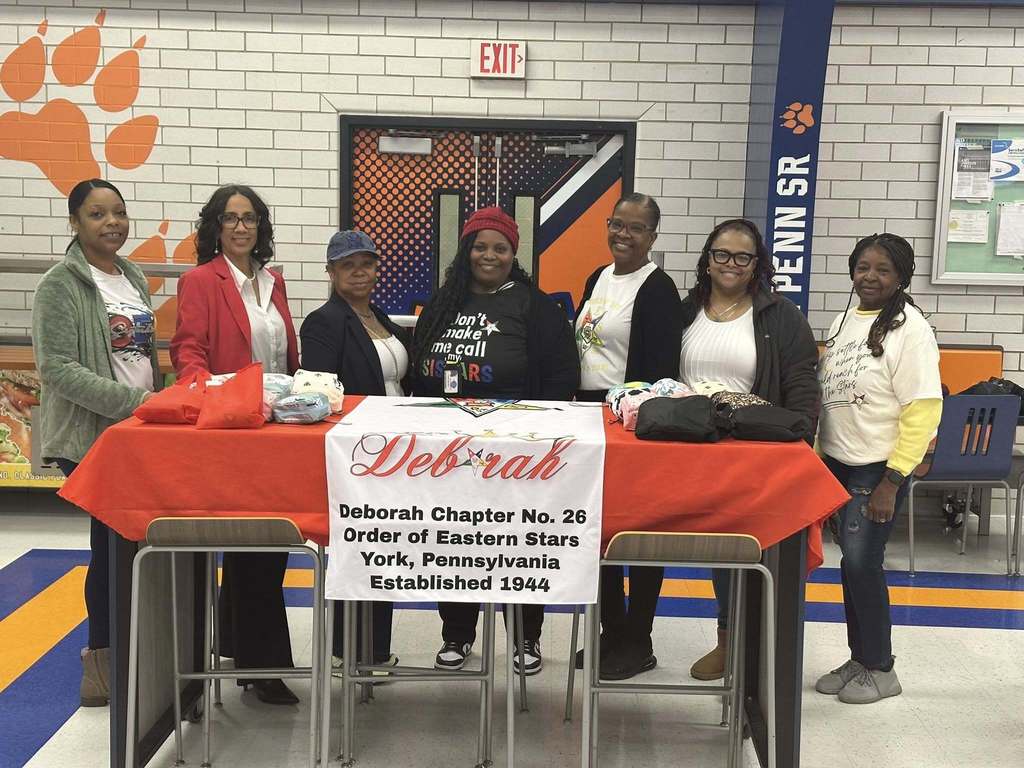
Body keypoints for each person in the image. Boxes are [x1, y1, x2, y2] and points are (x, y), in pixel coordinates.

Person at [411, 206, 579, 675]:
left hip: (517, 454)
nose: (490, 255)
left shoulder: (534, 306)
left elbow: (562, 374)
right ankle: (456, 633)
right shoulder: (444, 301)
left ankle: (525, 637)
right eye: (480, 246)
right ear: (466, 250)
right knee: (455, 541)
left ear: (513, 253)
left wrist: (537, 433)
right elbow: (418, 371)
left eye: (500, 248)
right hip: (449, 451)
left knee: (518, 542)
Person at [170, 184, 301, 705]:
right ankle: (262, 666)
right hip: (231, 431)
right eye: (231, 218)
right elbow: (189, 352)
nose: (241, 227)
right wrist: (209, 399)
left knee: (265, 547)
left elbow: (284, 358)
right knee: (256, 547)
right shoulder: (201, 280)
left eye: (250, 218)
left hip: (276, 430)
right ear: (215, 227)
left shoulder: (273, 281)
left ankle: (240, 651)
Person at [33, 179, 159, 707]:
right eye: (97, 214)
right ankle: (100, 664)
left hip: (137, 432)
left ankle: (140, 651)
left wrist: (156, 403)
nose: (112, 223)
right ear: (75, 222)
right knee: (110, 547)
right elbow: (57, 368)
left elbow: (141, 358)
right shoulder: (60, 284)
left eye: (119, 213)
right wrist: (136, 402)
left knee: (133, 545)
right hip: (90, 437)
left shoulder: (132, 275)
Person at [679, 218, 819, 682]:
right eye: (722, 254)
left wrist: (801, 442)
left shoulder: (782, 317)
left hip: (748, 452)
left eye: (743, 256)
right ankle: (730, 637)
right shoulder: (686, 310)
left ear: (757, 264)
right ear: (707, 259)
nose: (731, 264)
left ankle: (735, 642)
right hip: (689, 446)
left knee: (742, 549)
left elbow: (802, 385)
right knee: (710, 550)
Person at [815, 233, 941, 704]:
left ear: (901, 277)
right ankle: (861, 658)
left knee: (863, 563)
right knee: (850, 565)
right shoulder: (844, 319)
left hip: (878, 470)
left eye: (883, 270)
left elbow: (923, 408)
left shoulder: (912, 329)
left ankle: (882, 668)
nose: (870, 277)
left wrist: (894, 478)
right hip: (837, 463)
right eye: (863, 267)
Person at [574, 192, 683, 680]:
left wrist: (633, 419)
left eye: (636, 227)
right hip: (588, 414)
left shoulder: (658, 288)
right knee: (599, 530)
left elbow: (660, 372)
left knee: (637, 532)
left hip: (631, 422)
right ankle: (612, 632)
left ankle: (639, 639)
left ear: (652, 236)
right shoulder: (597, 278)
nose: (624, 234)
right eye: (617, 224)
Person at [300, 229, 410, 671]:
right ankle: (351, 651)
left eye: (366, 263)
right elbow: (320, 393)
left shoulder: (379, 316)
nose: (359, 272)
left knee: (384, 549)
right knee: (360, 550)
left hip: (397, 451)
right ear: (331, 272)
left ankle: (375, 649)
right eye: (348, 265)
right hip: (358, 453)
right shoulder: (323, 322)